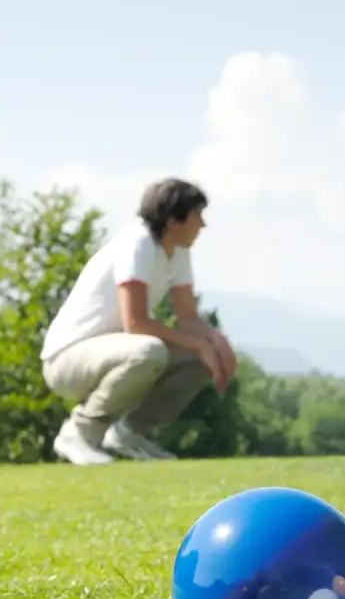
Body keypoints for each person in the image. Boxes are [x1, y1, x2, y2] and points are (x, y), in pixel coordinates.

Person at [40, 177, 238, 465]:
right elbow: (136, 323)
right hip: (66, 361)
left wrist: (216, 343)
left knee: (200, 358)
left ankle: (130, 433)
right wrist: (200, 343)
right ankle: (80, 434)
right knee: (149, 350)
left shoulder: (177, 251)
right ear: (173, 219)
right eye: (197, 215)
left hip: (115, 355)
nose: (203, 225)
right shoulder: (139, 243)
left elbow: (188, 316)